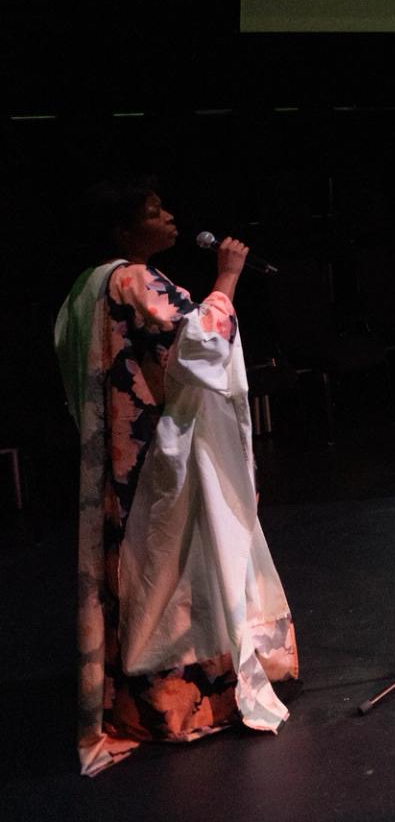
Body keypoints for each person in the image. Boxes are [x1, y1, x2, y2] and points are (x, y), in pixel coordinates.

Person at [53, 181, 298, 776]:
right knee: (176, 567)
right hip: (163, 451)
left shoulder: (82, 291)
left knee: (137, 568)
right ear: (123, 229)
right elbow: (197, 345)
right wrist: (229, 276)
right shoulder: (133, 279)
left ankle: (139, 698)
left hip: (120, 451)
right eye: (154, 211)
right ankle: (180, 698)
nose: (169, 218)